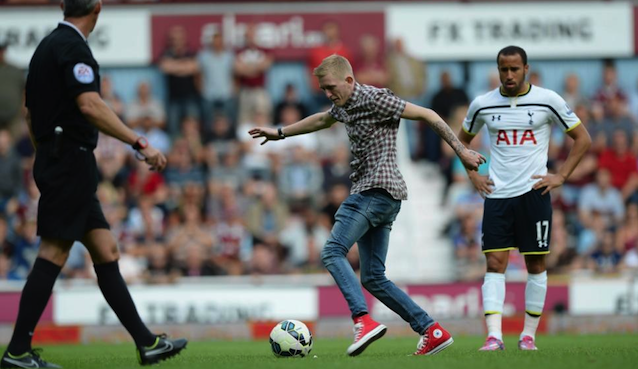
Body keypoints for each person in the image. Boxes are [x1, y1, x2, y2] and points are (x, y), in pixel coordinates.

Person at [249, 54, 485, 356]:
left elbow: (428, 114)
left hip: (374, 190)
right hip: (385, 198)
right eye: (323, 89)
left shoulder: (376, 98)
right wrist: (281, 132)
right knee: (373, 277)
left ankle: (362, 319)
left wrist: (462, 151)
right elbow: (323, 118)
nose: (328, 94)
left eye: (331, 87)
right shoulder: (344, 104)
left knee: (332, 251)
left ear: (349, 80)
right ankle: (431, 330)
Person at [0, 1, 187, 368]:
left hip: (62, 159)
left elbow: (28, 112)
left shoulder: (45, 47)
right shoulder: (72, 47)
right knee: (54, 252)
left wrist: (46, 155)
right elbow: (89, 104)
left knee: (106, 250)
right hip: (70, 161)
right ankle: (17, 352)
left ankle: (147, 343)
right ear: (97, 9)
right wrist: (140, 142)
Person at [457, 46, 591, 351]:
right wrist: (473, 175)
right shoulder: (483, 104)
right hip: (498, 195)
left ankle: (528, 336)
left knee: (536, 264)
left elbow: (583, 138)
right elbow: (461, 141)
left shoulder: (548, 100)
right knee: (494, 262)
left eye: (514, 69)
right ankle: (494, 336)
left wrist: (561, 176)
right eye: (504, 69)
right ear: (498, 70)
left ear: (526, 68)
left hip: (534, 194)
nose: (509, 75)